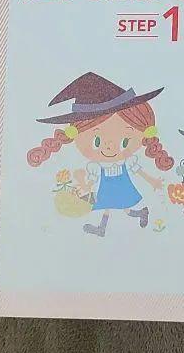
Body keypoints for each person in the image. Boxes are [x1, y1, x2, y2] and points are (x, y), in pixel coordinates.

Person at [26, 72, 174, 237]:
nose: (110, 148)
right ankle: (111, 224)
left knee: (123, 208)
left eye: (124, 142)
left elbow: (138, 171)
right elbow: (93, 178)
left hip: (122, 186)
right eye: (97, 141)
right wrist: (85, 185)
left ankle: (137, 214)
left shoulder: (127, 161)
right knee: (108, 208)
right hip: (106, 188)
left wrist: (153, 181)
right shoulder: (96, 166)